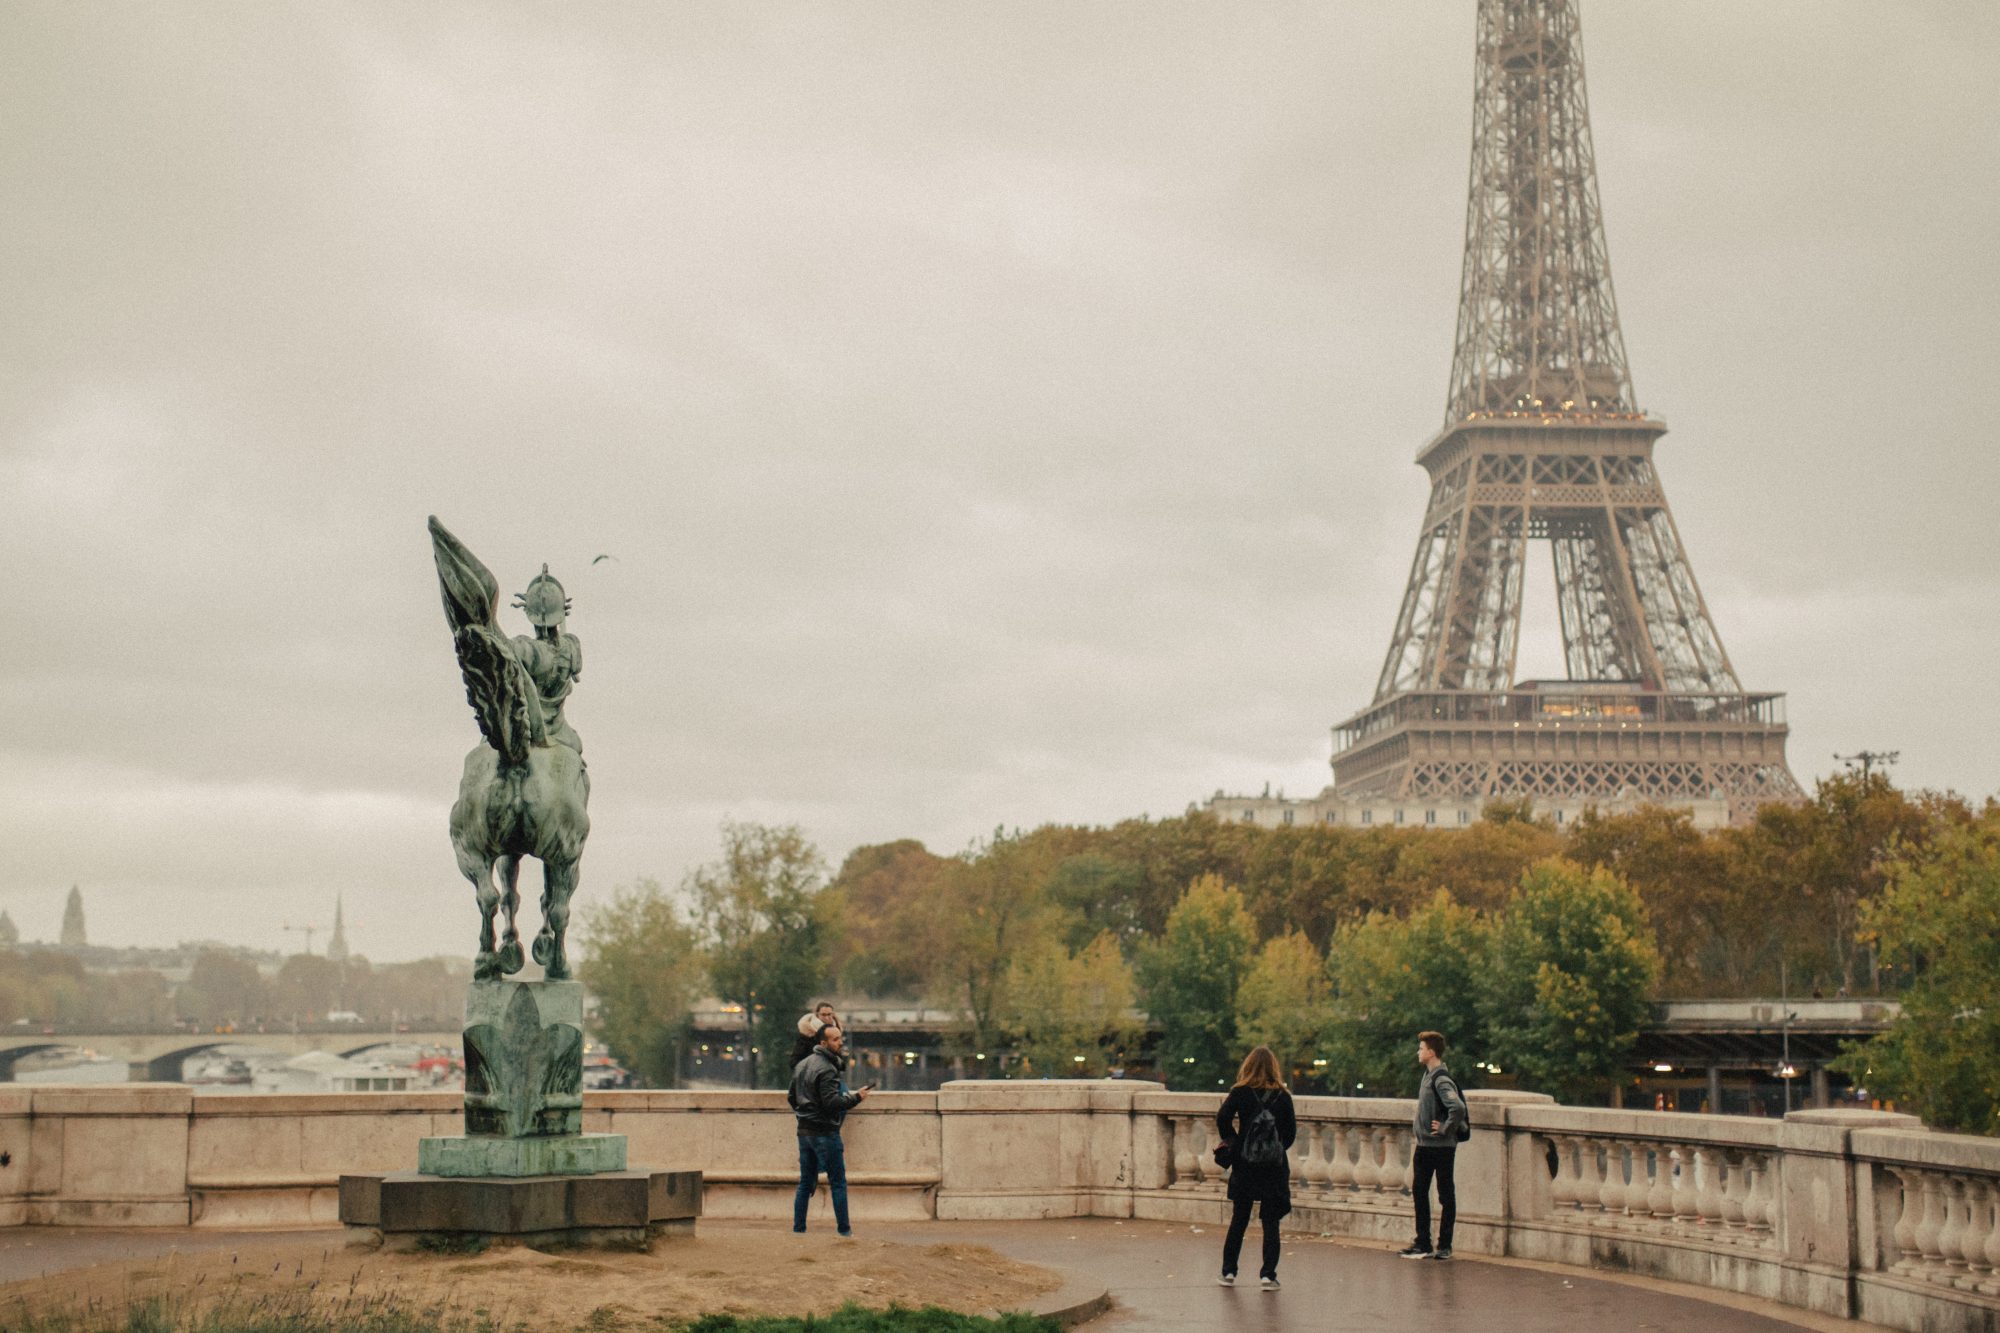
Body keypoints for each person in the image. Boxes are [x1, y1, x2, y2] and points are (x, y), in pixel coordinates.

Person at [1214, 1045, 1297, 1291]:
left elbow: (1222, 1118)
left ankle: (1228, 1272)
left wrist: (1235, 1142)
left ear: (1248, 1066)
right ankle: (1268, 1276)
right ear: (1274, 1068)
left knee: (1239, 1219)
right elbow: (1290, 1133)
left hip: (1244, 1164)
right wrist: (1273, 1148)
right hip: (1273, 1167)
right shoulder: (1283, 1096)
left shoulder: (1240, 1092)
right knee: (1271, 1222)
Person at [789, 1022, 870, 1236]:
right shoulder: (827, 1068)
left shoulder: (803, 1065)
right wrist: (856, 1097)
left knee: (805, 1183)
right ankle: (844, 1231)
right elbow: (831, 1103)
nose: (840, 1042)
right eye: (835, 1039)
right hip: (825, 1132)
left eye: (840, 1038)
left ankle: (798, 1230)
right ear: (823, 1043)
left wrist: (804, 1115)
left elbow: (791, 1097)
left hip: (804, 1132)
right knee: (838, 1183)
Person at [1399, 1030, 1468, 1261]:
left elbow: (1457, 1108)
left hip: (1441, 1147)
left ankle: (1444, 1245)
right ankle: (1423, 1243)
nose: (1417, 1052)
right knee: (1420, 1192)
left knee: (1445, 1194)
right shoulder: (1428, 1076)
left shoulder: (1440, 1078)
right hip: (1425, 1145)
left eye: (1420, 1048)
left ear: (1430, 1052)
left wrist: (1445, 1128)